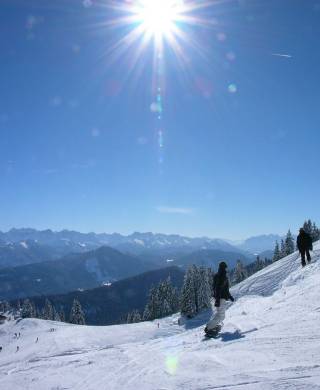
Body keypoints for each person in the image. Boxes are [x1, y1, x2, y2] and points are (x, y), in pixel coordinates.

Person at [205, 261, 234, 336]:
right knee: (221, 316)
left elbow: (223, 289)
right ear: (224, 268)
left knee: (219, 314)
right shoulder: (222, 276)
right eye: (225, 267)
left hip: (219, 298)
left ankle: (210, 326)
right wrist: (218, 299)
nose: (226, 269)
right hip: (220, 298)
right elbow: (218, 288)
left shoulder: (217, 275)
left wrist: (229, 296)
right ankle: (209, 328)